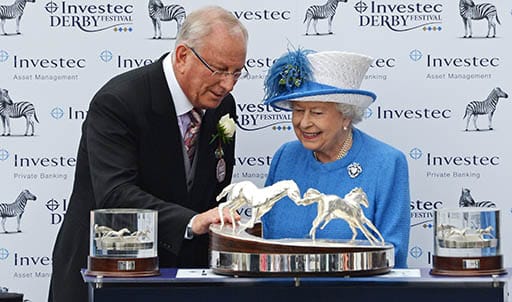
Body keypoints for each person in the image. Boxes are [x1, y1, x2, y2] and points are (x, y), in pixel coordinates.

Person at [48, 6, 248, 302]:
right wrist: (191, 223)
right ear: (183, 56)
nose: (228, 84)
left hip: (181, 281)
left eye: (237, 72)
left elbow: (211, 192)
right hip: (107, 275)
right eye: (219, 70)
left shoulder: (223, 107)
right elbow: (115, 195)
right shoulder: (119, 102)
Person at [260, 49, 410, 268]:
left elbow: (392, 253)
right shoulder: (285, 157)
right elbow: (265, 236)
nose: (304, 123)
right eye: (298, 110)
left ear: (346, 116)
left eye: (317, 113)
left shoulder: (387, 163)